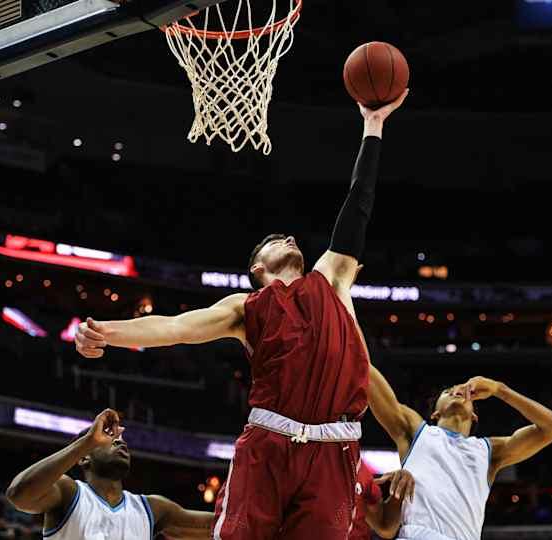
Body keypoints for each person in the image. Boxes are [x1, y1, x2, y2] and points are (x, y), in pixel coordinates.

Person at [75, 91, 408, 539]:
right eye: (275, 239)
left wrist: (373, 127)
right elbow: (174, 328)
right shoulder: (244, 308)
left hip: (336, 448)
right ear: (256, 268)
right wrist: (104, 331)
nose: (288, 237)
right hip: (268, 446)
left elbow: (358, 206)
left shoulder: (332, 279)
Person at [365, 368, 552, 540]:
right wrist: (350, 330)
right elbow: (367, 372)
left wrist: (499, 389)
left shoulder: (489, 452)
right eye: (447, 391)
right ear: (435, 413)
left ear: (474, 415)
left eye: (462, 391)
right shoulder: (417, 432)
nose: (456, 392)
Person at [5, 409, 213, 539]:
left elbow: (222, 527)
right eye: (109, 440)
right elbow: (18, 495)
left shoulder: (152, 508)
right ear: (84, 457)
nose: (120, 443)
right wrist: (88, 441)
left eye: (121, 441)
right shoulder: (69, 492)